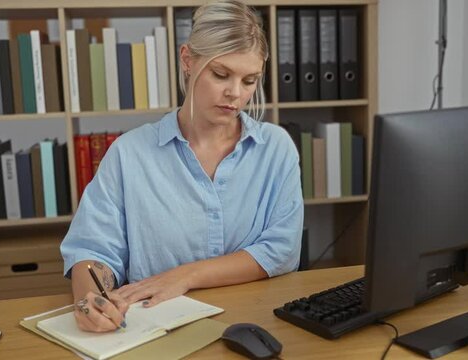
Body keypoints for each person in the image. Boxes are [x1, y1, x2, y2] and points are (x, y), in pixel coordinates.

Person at [61, 0, 303, 333]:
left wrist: (184, 276)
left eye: (249, 81)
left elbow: (281, 250)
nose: (235, 93)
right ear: (188, 60)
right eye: (221, 74)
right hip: (157, 329)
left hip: (254, 322)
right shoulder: (129, 154)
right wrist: (90, 301)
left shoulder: (276, 149)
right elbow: (91, 249)